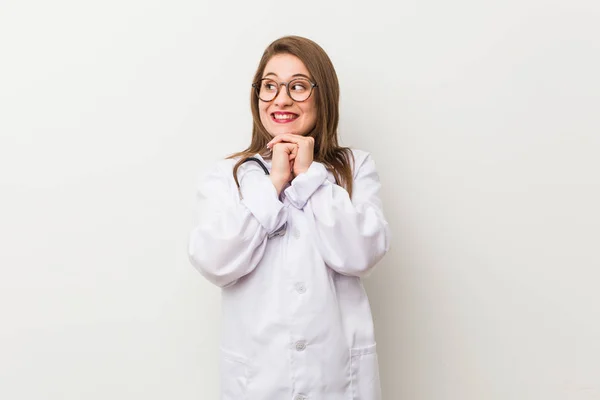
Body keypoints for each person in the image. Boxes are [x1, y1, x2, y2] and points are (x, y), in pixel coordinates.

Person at [188, 35, 390, 400]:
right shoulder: (229, 175)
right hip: (259, 379)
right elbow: (215, 262)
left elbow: (361, 254)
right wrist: (275, 183)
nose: (281, 99)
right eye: (270, 86)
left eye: (298, 86)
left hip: (337, 380)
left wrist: (311, 176)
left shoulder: (354, 168)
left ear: (322, 94)